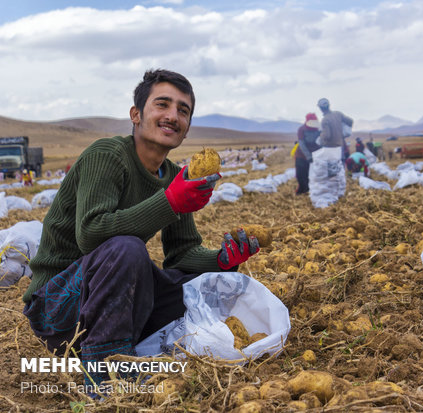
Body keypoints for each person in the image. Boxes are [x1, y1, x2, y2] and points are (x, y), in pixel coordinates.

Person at [22, 69, 260, 390]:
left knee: (206, 285)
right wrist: (171, 201)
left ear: (187, 130)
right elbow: (91, 233)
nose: (173, 115)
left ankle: (130, 346)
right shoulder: (106, 155)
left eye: (183, 110)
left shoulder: (174, 175)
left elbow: (182, 254)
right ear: (136, 114)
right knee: (127, 248)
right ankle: (107, 378)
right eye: (162, 104)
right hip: (58, 309)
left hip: (110, 305)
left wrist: (222, 260)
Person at [316, 98, 353, 163]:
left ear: (321, 108)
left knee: (332, 170)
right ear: (329, 105)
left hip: (330, 149)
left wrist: (321, 137)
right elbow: (350, 121)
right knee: (341, 167)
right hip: (341, 147)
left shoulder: (325, 120)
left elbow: (327, 136)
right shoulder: (338, 114)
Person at [294, 113, 321, 194]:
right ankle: (302, 190)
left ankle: (308, 190)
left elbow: (320, 142)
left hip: (314, 155)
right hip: (301, 155)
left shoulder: (318, 130)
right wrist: (308, 156)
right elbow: (302, 144)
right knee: (300, 174)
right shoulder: (301, 129)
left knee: (310, 174)